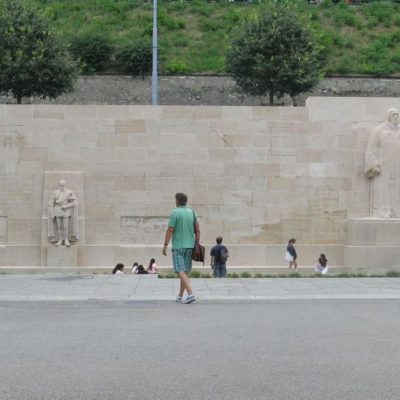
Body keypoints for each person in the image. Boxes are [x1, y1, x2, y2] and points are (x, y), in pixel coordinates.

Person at [162, 192, 200, 304]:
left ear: (178, 201)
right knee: (185, 272)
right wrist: (197, 244)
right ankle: (180, 296)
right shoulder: (192, 212)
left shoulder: (175, 212)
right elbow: (197, 230)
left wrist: (165, 245)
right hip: (190, 246)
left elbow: (170, 230)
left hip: (178, 246)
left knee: (179, 270)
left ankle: (191, 293)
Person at [365, 108, 400, 218]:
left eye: (397, 115)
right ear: (388, 116)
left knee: (396, 187)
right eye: (393, 115)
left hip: (397, 164)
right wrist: (373, 163)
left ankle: (396, 210)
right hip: (383, 164)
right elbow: (371, 149)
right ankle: (382, 211)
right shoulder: (379, 130)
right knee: (383, 188)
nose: (396, 117)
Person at [48, 179, 79, 247]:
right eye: (60, 185)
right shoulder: (55, 192)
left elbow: (75, 202)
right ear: (59, 185)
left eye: (63, 185)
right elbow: (51, 203)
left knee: (65, 226)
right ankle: (60, 240)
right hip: (57, 210)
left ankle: (66, 240)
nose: (62, 186)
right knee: (59, 227)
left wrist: (66, 206)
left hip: (66, 210)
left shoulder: (69, 192)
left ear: (65, 185)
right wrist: (52, 213)